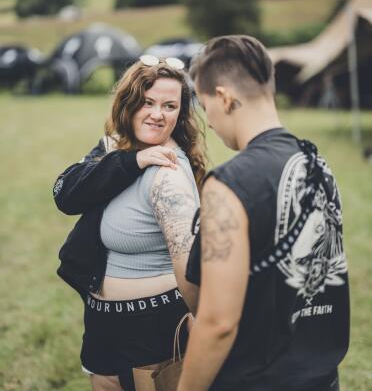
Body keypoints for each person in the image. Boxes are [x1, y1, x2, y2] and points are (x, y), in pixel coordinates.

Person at [178, 35, 349, 391]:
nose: (207, 121)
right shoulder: (318, 165)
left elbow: (218, 322)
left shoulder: (228, 185)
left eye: (204, 104)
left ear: (224, 97)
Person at [53, 56, 205, 391]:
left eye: (169, 105)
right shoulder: (115, 147)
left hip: (154, 329)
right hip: (101, 322)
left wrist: (204, 322)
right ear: (129, 103)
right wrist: (130, 160)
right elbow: (65, 195)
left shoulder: (168, 176)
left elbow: (190, 261)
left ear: (180, 113)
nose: (157, 114)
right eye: (147, 102)